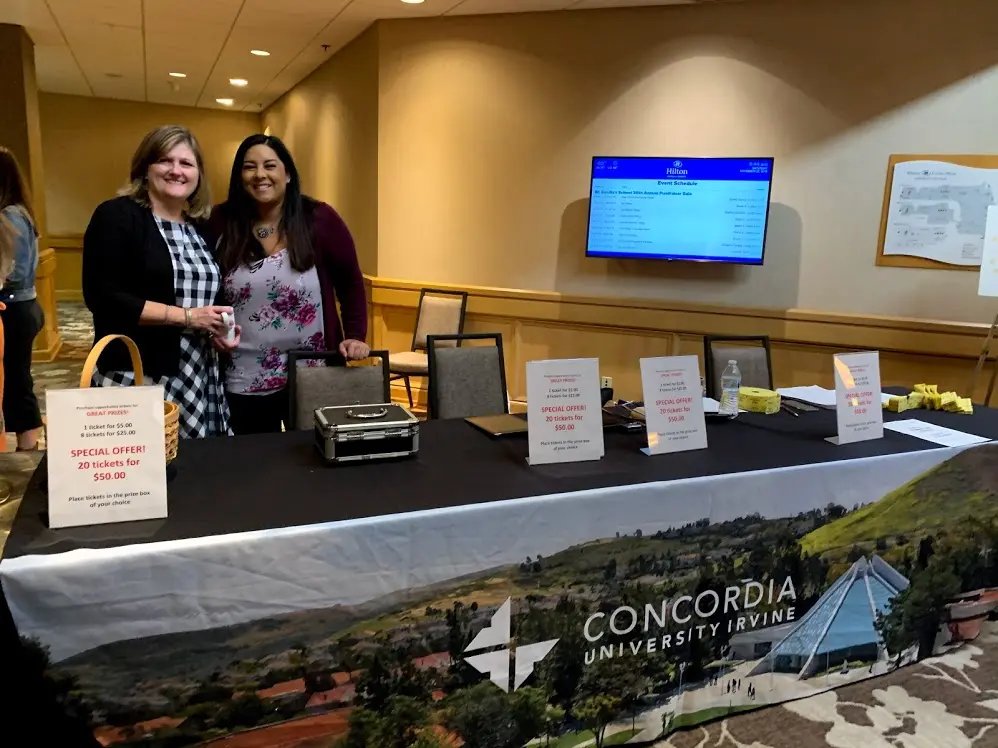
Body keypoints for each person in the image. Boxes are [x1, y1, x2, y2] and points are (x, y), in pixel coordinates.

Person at [82, 125, 239, 439]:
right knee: (139, 473)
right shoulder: (117, 216)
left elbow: (211, 294)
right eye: (165, 161)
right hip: (137, 370)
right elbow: (103, 297)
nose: (176, 170)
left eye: (186, 163)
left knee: (192, 470)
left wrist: (221, 330)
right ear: (145, 168)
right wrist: (187, 317)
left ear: (198, 175)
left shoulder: (202, 228)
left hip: (197, 370)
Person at [212, 134, 368, 435]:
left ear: (288, 174)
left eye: (270, 165)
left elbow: (350, 282)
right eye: (249, 167)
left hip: (313, 373)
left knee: (315, 464)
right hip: (243, 376)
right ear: (239, 176)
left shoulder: (319, 218)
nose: (260, 175)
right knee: (255, 467)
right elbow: (202, 286)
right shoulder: (220, 221)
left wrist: (356, 335)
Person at [0, 148, 43, 451]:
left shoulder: (10, 215)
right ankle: (26, 445)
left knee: (15, 381)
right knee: (16, 378)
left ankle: (27, 447)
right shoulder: (18, 212)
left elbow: (13, 272)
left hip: (14, 309)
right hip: (21, 307)